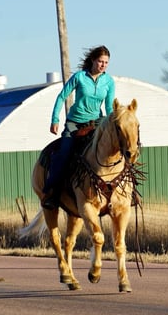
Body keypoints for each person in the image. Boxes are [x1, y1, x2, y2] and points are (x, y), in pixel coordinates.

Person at [42, 45, 115, 209]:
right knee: (65, 154)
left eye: (106, 62)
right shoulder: (80, 77)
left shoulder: (109, 81)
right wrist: (55, 119)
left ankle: (115, 194)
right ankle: (52, 193)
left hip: (96, 122)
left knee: (109, 150)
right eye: (100, 61)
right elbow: (62, 97)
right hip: (74, 123)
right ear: (92, 60)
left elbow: (109, 107)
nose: (103, 65)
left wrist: (110, 124)